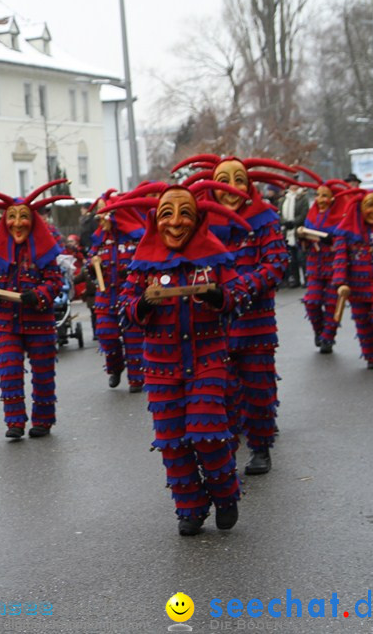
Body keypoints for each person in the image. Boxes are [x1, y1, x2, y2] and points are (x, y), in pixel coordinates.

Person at [111, 182, 251, 536]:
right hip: (160, 364)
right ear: (155, 220)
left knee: (207, 431)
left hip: (209, 356)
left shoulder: (215, 257)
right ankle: (190, 506)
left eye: (185, 213)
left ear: (198, 219)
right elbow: (124, 307)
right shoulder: (143, 263)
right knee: (172, 442)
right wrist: (142, 304)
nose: (175, 222)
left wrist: (221, 296)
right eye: (166, 213)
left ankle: (225, 494)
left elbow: (239, 295)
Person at [174, 155, 294, 476]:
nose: (232, 188)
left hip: (256, 324)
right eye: (223, 181)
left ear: (249, 184)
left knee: (258, 387)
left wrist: (240, 287)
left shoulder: (265, 217)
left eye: (238, 180)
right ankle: (224, 453)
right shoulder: (202, 222)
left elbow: (277, 263)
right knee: (221, 391)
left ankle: (261, 447)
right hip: (213, 326)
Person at [0, 184, 68, 438]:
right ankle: (14, 422)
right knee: (9, 372)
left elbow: (54, 281)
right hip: (8, 322)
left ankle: (43, 420)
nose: (17, 223)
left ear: (32, 221)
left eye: (23, 217)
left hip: (40, 323)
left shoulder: (45, 250)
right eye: (12, 217)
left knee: (43, 374)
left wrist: (37, 295)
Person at [332, 180, 373, 370]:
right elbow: (340, 259)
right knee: (363, 324)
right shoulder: (346, 233)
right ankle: (371, 357)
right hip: (357, 288)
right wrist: (340, 282)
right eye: (371, 205)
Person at [87, 195, 147, 393]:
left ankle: (137, 378)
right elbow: (91, 258)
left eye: (104, 215)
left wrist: (130, 270)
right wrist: (91, 266)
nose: (100, 219)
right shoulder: (99, 239)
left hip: (129, 296)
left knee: (134, 338)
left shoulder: (134, 237)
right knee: (106, 335)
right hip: (105, 298)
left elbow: (145, 262)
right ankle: (115, 367)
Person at [295, 171, 348, 354]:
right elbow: (304, 242)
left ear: (333, 198)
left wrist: (332, 239)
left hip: (334, 266)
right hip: (315, 265)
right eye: (317, 195)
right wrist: (301, 236)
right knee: (312, 302)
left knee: (332, 304)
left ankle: (328, 338)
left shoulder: (342, 216)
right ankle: (319, 331)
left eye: (324, 195)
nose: (320, 199)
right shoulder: (312, 214)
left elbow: (345, 241)